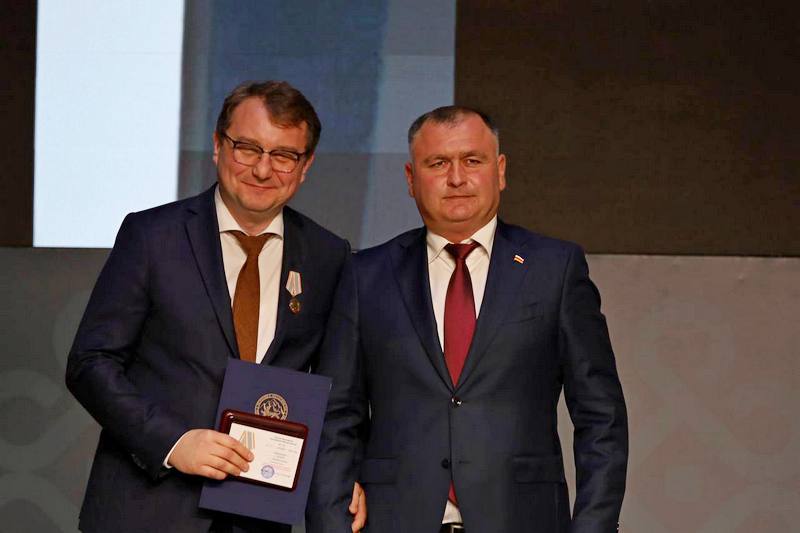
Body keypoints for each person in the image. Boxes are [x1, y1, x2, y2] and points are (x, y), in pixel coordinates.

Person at [307, 106, 628, 532]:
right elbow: (335, 416)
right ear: (411, 179)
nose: (456, 178)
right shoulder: (365, 275)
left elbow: (601, 416)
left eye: (472, 161)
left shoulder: (556, 268)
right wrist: (332, 519)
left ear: (500, 171)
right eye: (438, 163)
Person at [66, 81, 365, 532]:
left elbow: (335, 393)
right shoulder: (152, 236)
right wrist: (173, 442)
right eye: (247, 148)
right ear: (217, 145)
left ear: (305, 166)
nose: (263, 169)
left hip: (258, 516)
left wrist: (344, 477)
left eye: (284, 155)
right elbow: (91, 362)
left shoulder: (327, 255)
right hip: (147, 509)